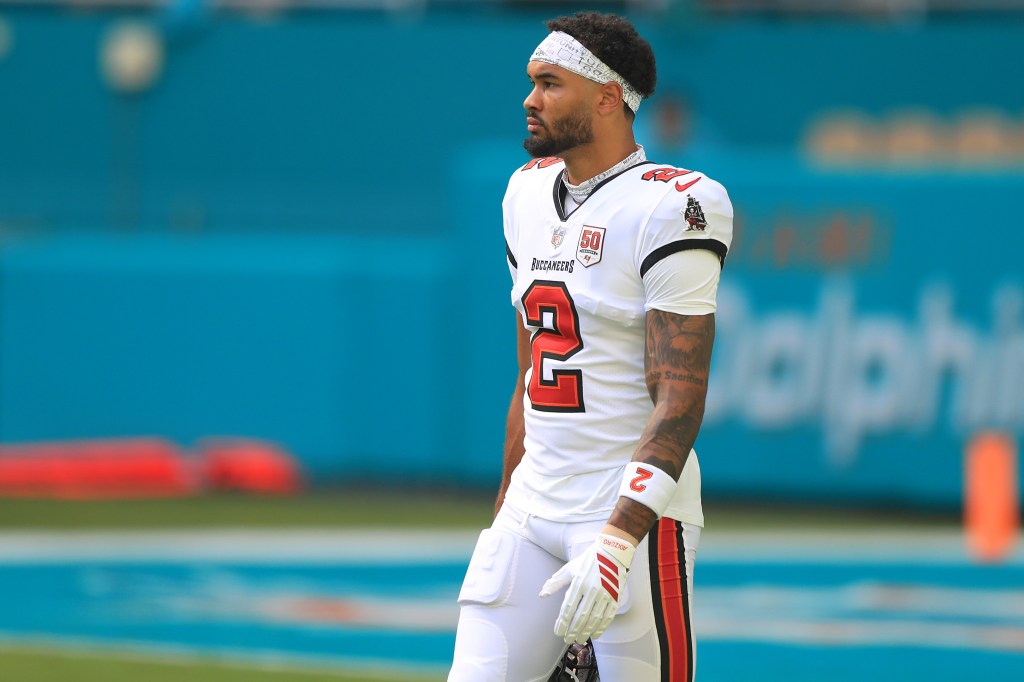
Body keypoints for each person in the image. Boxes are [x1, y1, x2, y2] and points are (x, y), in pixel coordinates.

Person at [449, 12, 733, 682]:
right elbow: (530, 380)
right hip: (534, 506)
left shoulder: (677, 205)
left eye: (550, 83)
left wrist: (617, 538)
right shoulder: (524, 194)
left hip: (626, 510)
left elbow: (681, 392)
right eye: (530, 82)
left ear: (608, 97)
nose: (529, 98)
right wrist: (503, 513)